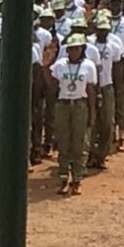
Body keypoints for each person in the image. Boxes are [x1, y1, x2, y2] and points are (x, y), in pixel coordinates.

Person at [49, 32, 98, 196]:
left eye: (76, 49)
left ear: (82, 49)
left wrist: (92, 113)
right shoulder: (60, 65)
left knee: (79, 143)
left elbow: (91, 90)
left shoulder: (89, 66)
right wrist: (45, 66)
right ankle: (63, 177)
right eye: (70, 49)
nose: (73, 52)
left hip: (80, 105)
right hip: (63, 104)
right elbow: (52, 87)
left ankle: (77, 178)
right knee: (63, 142)